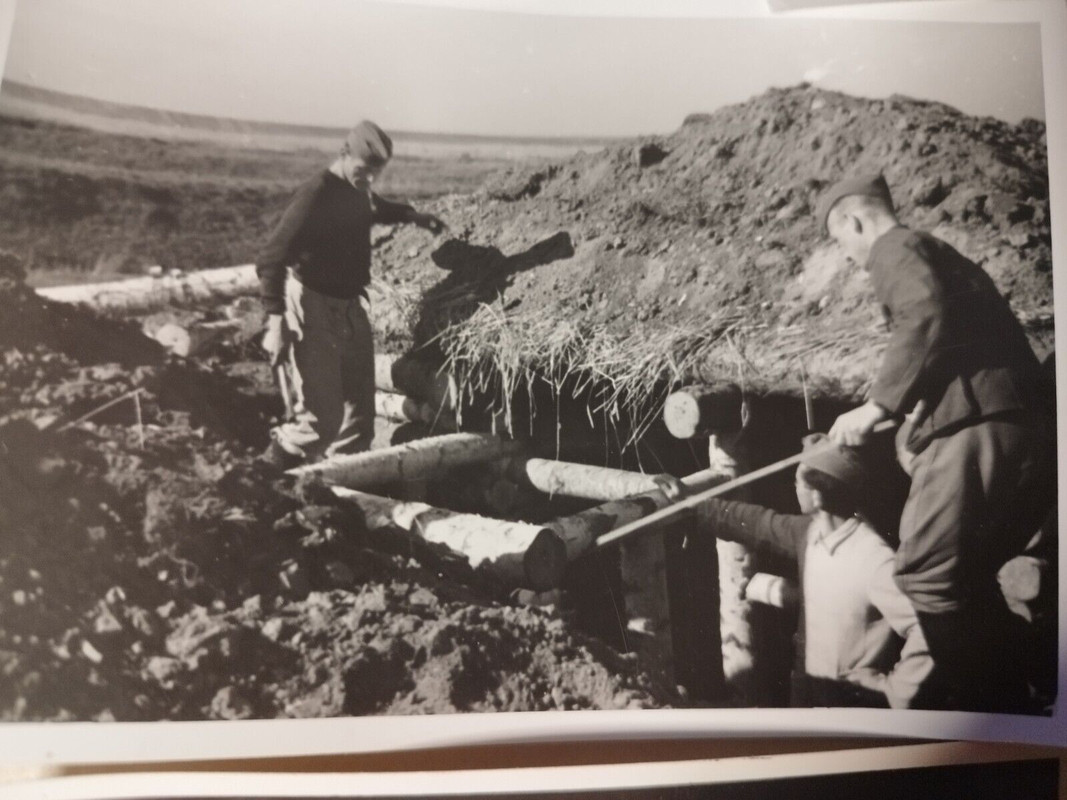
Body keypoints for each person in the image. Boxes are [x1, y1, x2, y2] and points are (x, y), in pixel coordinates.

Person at [817, 174, 1056, 712]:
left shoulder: (895, 246)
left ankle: (993, 710)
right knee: (963, 575)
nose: (852, 257)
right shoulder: (943, 255)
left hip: (981, 430)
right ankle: (1023, 691)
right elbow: (950, 343)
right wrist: (905, 418)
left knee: (924, 573)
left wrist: (876, 406)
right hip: (1022, 430)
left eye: (842, 241)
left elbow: (923, 313)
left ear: (854, 222)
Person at [658, 435, 932, 709]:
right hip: (805, 691)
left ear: (817, 495)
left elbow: (926, 629)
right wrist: (693, 503)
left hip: (851, 704)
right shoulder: (810, 534)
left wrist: (895, 690)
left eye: (798, 481)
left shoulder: (875, 559)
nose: (794, 486)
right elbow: (757, 523)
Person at [257, 120, 446, 467]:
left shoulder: (356, 187)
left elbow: (375, 206)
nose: (370, 179)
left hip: (349, 307)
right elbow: (272, 256)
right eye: (364, 169)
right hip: (312, 305)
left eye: (377, 172)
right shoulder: (317, 193)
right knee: (321, 420)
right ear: (344, 154)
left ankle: (343, 490)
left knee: (360, 412)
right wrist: (275, 320)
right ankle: (263, 476)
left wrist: (413, 216)